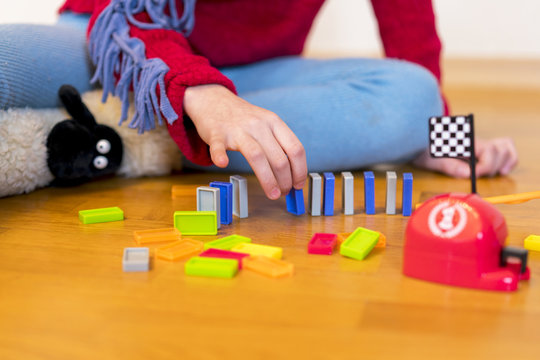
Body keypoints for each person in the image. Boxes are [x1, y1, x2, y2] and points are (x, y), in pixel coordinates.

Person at [0, 0, 517, 200]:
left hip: (244, 77)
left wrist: (432, 133)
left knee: (414, 96)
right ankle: (139, 133)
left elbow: (409, 23)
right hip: (118, 41)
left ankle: (95, 139)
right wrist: (197, 94)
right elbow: (131, 16)